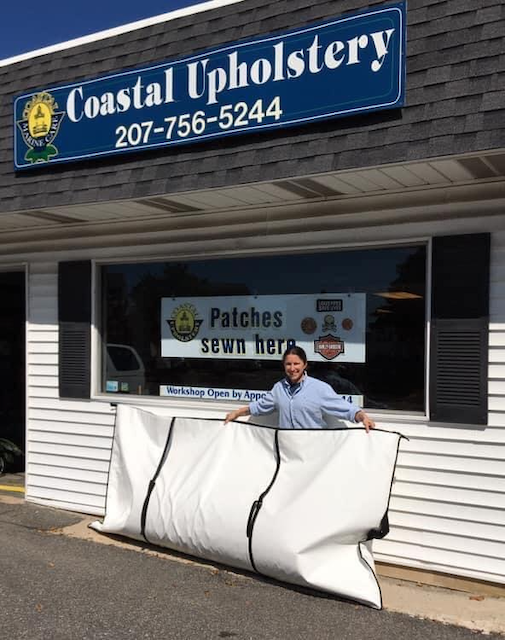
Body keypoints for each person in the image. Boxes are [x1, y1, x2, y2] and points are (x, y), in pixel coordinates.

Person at [224, 346, 375, 431]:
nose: (292, 368)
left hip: (313, 450)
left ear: (305, 365)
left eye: (296, 364)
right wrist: (236, 413)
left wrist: (363, 417)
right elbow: (259, 407)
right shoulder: (278, 389)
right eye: (288, 364)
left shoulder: (319, 388)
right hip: (287, 451)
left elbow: (344, 408)